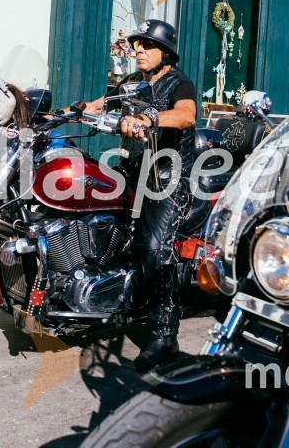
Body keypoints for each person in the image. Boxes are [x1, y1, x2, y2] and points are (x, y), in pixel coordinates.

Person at [69, 19, 197, 372]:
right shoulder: (130, 85)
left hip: (168, 178)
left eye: (147, 45)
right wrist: (61, 114)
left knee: (156, 250)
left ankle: (164, 335)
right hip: (130, 171)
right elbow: (97, 105)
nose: (139, 49)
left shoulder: (178, 82)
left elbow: (186, 116)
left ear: (166, 53)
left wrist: (150, 118)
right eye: (137, 43)